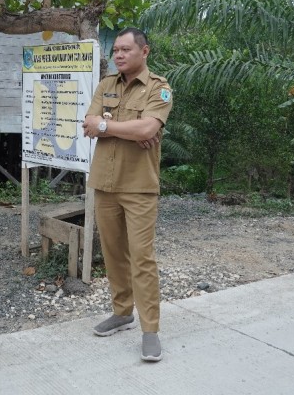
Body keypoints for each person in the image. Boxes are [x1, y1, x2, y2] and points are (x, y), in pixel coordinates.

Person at [82, 27, 172, 362]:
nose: (118, 55)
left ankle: (151, 330)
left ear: (144, 52)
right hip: (105, 184)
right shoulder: (106, 85)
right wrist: (126, 131)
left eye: (125, 50)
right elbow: (89, 123)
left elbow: (147, 129)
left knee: (142, 258)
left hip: (138, 187)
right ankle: (122, 312)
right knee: (113, 254)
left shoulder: (158, 88)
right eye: (116, 50)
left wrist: (109, 127)